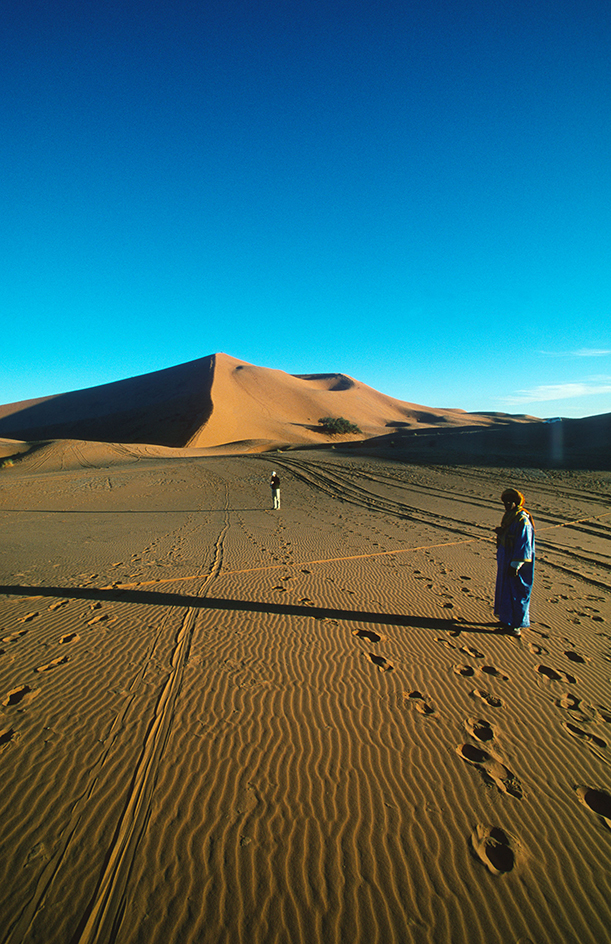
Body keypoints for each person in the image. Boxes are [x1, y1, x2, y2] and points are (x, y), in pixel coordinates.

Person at [494, 488, 535, 637]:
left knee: (517, 591)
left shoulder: (522, 519)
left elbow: (524, 544)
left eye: (510, 502)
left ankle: (516, 625)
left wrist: (516, 564)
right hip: (506, 559)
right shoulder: (510, 516)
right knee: (505, 589)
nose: (507, 505)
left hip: (516, 561)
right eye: (505, 502)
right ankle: (506, 620)